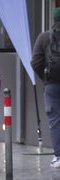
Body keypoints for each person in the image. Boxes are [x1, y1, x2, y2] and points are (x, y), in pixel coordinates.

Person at [31, 7, 60, 168]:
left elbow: (35, 62)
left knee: (56, 121)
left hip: (52, 85)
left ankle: (59, 157)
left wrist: (46, 78)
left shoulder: (44, 37)